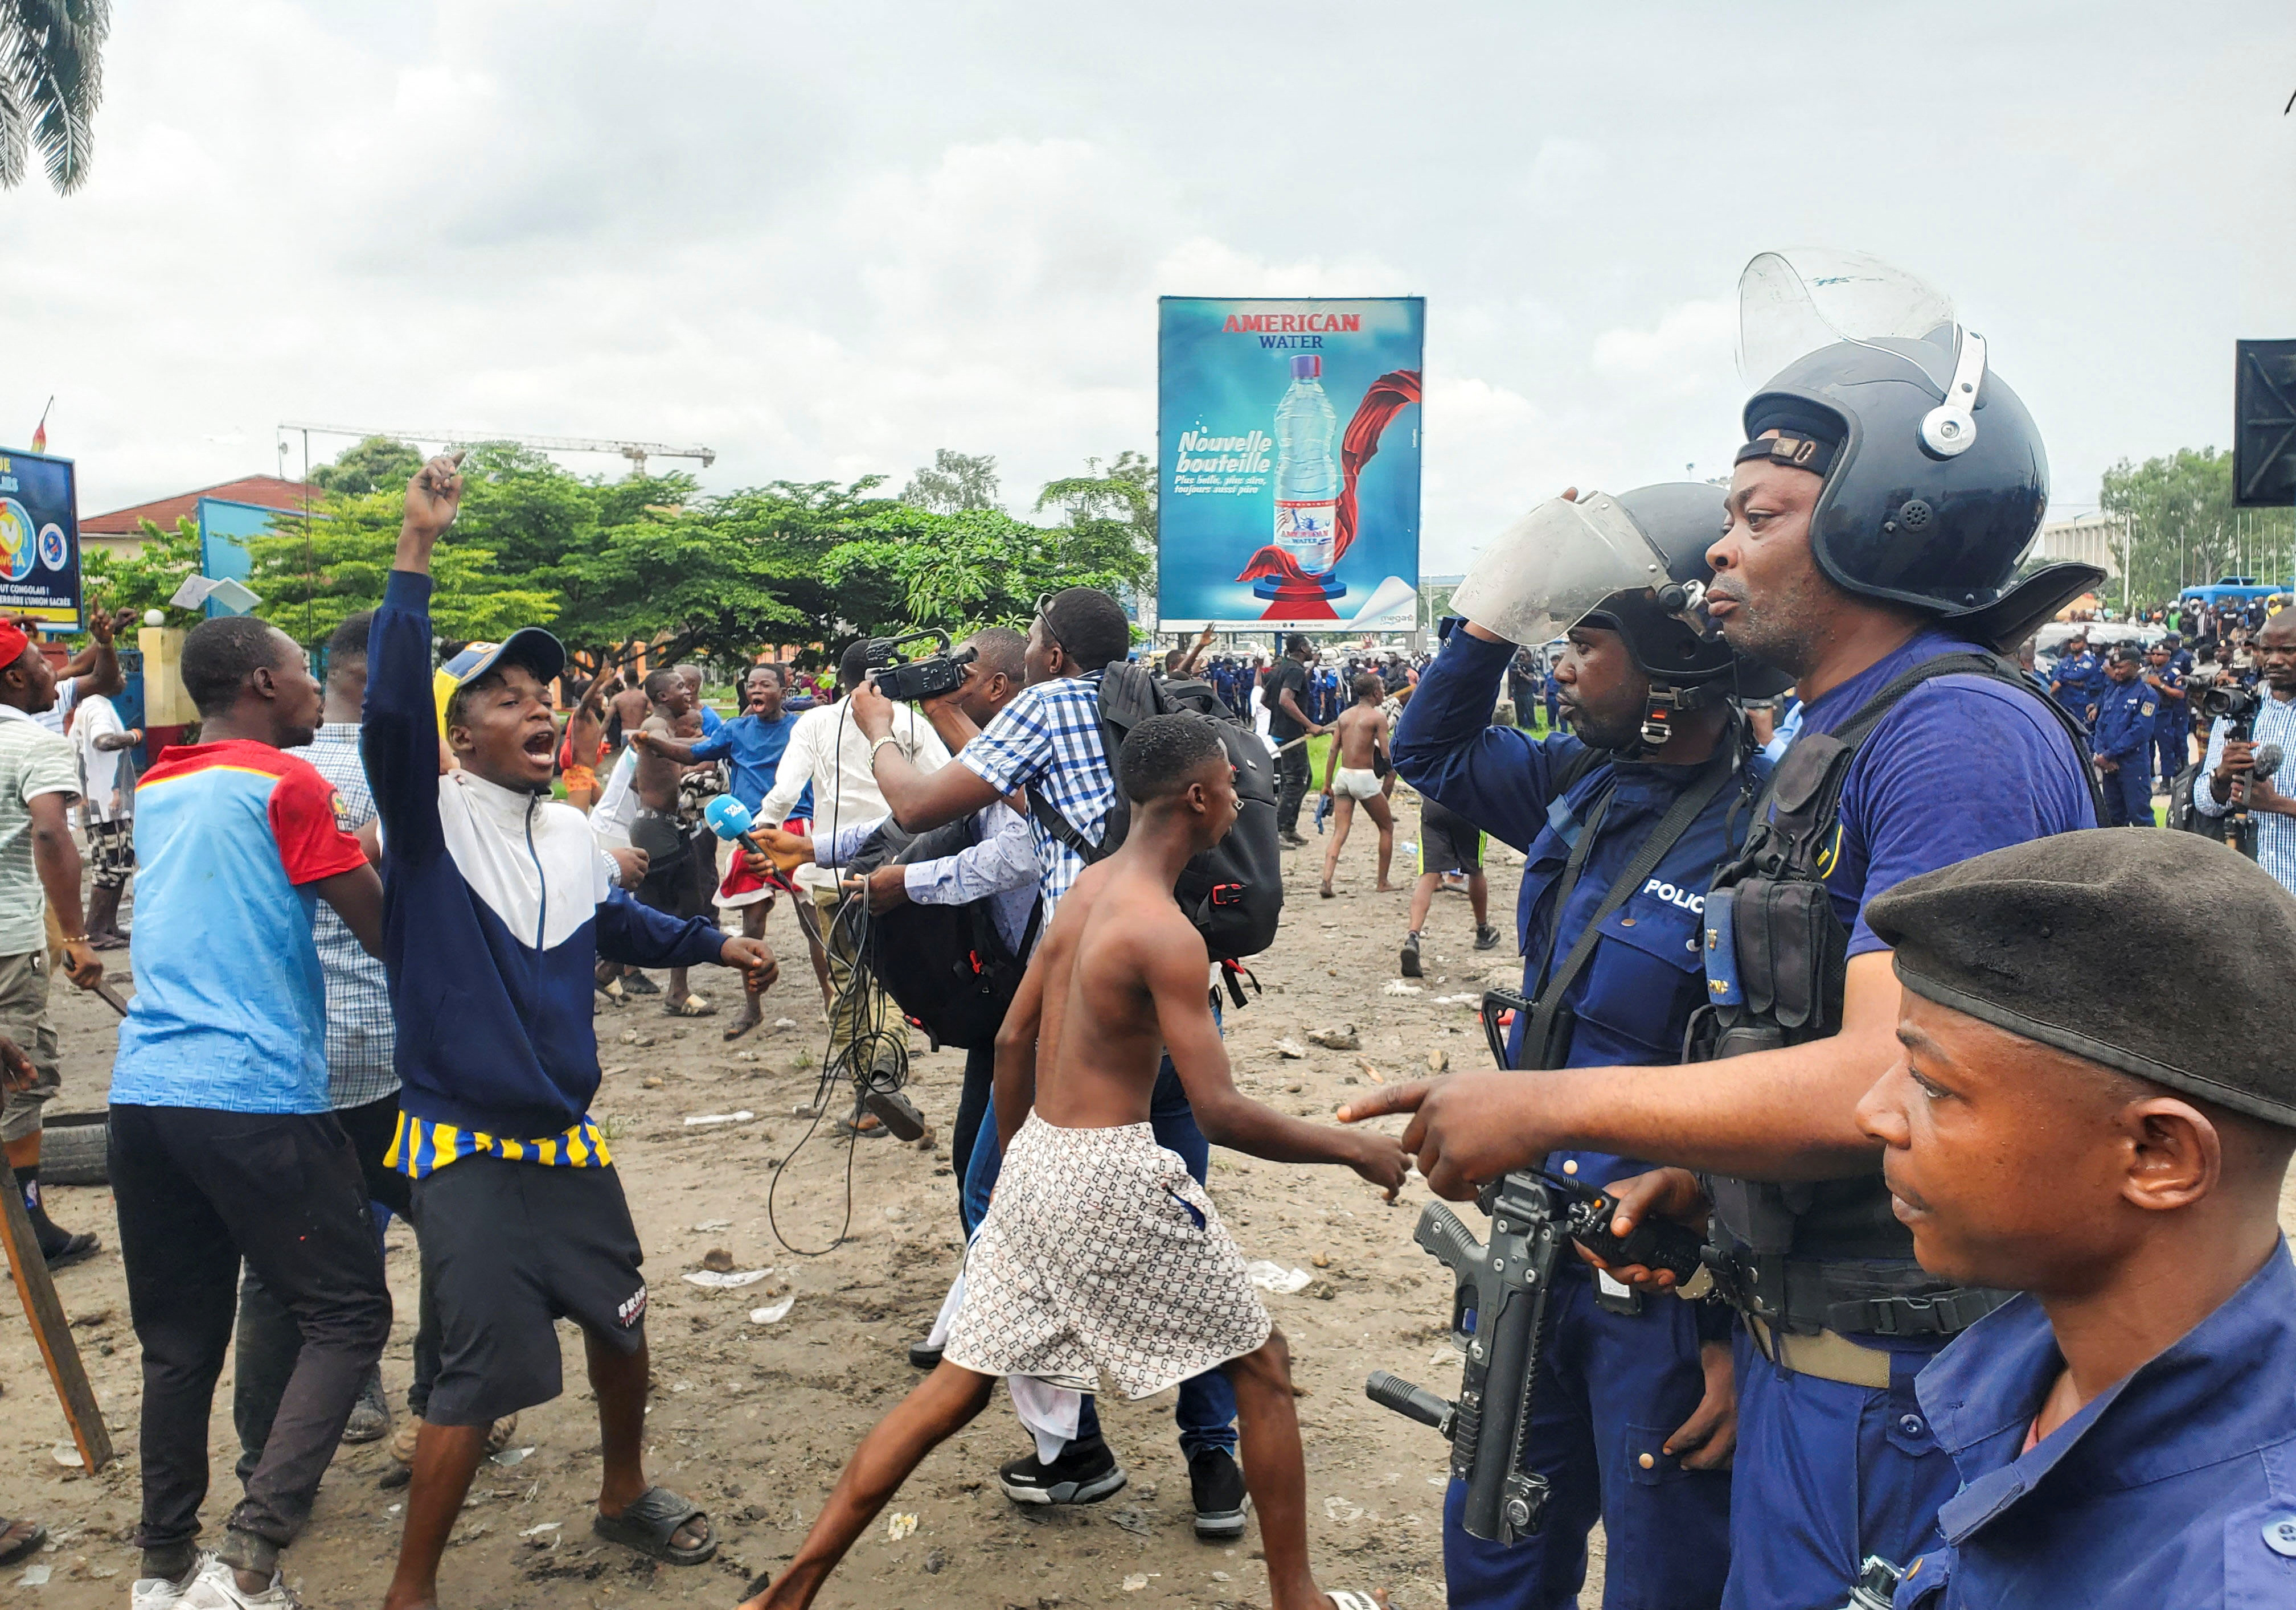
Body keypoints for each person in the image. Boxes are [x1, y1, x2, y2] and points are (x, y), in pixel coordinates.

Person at [1345, 324, 2104, 1608]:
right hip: (1785, 1325)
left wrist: (1543, 1106)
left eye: (1759, 514)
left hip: (1882, 1370)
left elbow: (1897, 1077)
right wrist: (1704, 1183)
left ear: (1880, 528)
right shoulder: (1834, 743)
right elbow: (1792, 1047)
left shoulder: (1954, 735)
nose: (1719, 545)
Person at [732, 714, 1405, 1610]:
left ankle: (788, 1591)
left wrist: (1020, 1169)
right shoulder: (1169, 935)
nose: (1239, 802)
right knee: (1263, 1367)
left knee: (952, 1391)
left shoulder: (1086, 889)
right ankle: (1300, 1599)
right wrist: (1354, 1148)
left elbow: (1014, 1040)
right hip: (1112, 1174)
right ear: (1197, 799)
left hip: (1041, 1157)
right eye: (1230, 788)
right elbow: (1219, 1113)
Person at [368, 457, 775, 1610]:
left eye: (542, 693)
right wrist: (415, 549)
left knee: (622, 1317)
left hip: (564, 1134)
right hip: (465, 1144)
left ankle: (621, 1489)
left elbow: (617, 921)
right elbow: (391, 715)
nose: (539, 707)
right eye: (504, 697)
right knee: (475, 1373)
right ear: (458, 735)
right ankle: (411, 1588)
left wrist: (717, 943)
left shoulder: (564, 831)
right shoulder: (431, 822)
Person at [1392, 482, 1781, 1610]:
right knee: (1496, 1542)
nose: (1561, 667)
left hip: (1658, 1280)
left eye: (1588, 643)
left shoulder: (1766, 838)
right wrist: (1494, 609)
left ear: (1675, 669)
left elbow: (1778, 1089)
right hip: (1530, 1250)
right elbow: (1431, 746)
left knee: (1666, 1575)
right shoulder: (1580, 783)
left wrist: (1729, 1328)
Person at [847, 586, 1249, 1535]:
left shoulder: (1049, 704)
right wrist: (944, 705)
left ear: (1056, 654)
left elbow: (917, 802)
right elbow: (1025, 792)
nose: (1026, 653)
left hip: (1088, 1022)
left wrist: (880, 728)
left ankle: (1074, 1450)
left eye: (1033, 640)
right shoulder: (1151, 708)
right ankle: (1213, 1456)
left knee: (1000, 1205)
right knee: (1183, 1222)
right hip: (1181, 992)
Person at [1853, 831, 2296, 1608]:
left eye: (1932, 1082)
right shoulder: (2043, 1370)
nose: (1873, 1112)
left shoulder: (2235, 1583)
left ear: (2157, 1154)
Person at [107, 613, 393, 1610]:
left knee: (179, 1343)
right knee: (349, 1311)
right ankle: (250, 1562)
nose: (315, 684)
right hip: (252, 1089)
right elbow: (380, 927)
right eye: (300, 670)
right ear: (263, 684)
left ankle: (163, 1567)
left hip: (144, 1091)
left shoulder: (161, 783)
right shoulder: (289, 782)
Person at [751, 627, 1037, 1238]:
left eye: (959, 672)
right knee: (974, 1158)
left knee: (991, 1177)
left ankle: (998, 1286)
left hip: (1037, 996)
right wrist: (810, 847)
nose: (945, 681)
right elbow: (924, 814)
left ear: (997, 686)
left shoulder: (1020, 753)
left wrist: (907, 880)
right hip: (986, 974)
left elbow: (989, 844)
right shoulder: (973, 745)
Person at [228, 613, 404, 1479]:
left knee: (282, 1258)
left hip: (287, 1049)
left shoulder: (244, 777)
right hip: (379, 1044)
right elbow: (394, 922)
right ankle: (450, 1405)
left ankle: (263, 1453)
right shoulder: (397, 773)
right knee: (457, 1220)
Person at [753, 640, 949, 1123]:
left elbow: (785, 791)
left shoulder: (814, 723)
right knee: (888, 979)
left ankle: (867, 1094)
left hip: (831, 876)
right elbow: (944, 784)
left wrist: (763, 830)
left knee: (846, 983)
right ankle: (883, 1077)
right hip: (895, 872)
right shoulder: (909, 724)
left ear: (841, 679)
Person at [0, 618, 104, 1272]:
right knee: (20, 1074)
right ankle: (29, 1223)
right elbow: (49, 833)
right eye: (42, 660)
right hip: (9, 943)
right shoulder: (32, 743)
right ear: (15, 677)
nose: (53, 669)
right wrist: (75, 936)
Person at [631, 663, 805, 1038]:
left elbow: (692, 753)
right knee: (719, 915)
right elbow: (691, 755)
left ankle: (833, 1001)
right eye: (752, 684)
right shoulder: (726, 729)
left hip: (793, 828)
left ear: (782, 690)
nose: (756, 690)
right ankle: (746, 1008)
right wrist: (654, 745)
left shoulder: (799, 729)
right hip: (739, 832)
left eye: (765, 684)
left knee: (812, 918)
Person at [2196, 606, 2296, 893]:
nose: (2274, 660)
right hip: (2252, 894)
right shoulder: (2239, 713)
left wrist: (2277, 804)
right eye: (2266, 650)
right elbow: (2205, 802)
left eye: (2288, 651)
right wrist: (2222, 777)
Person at [69, 684, 139, 948]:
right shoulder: (96, 706)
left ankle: (109, 925)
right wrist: (133, 736)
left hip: (107, 801)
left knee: (120, 861)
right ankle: (95, 931)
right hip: (105, 803)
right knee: (109, 865)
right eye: (117, 672)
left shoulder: (92, 705)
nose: (123, 678)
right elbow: (104, 741)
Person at [1399, 796, 1500, 976]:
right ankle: (1482, 930)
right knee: (1476, 870)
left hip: (1434, 804)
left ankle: (1413, 937)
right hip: (1468, 805)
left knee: (1428, 875)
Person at [1317, 673, 1396, 898]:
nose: (1384, 692)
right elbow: (1385, 753)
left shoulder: (1344, 716)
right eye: (1382, 688)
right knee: (1386, 828)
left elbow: (1333, 751)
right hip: (1363, 778)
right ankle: (1382, 882)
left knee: (1340, 832)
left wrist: (1327, 784)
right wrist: (1392, 769)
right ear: (1375, 693)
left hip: (1343, 776)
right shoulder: (1377, 718)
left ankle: (1326, 880)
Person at [1265, 634, 1326, 847]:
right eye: (1309, 646)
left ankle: (1289, 828)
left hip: (1281, 730)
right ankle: (1276, 832)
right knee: (1295, 781)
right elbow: (1285, 700)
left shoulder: (1283, 669)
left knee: (1302, 779)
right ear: (1302, 648)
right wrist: (1309, 725)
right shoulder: (1294, 670)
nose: (1311, 649)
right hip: (1291, 734)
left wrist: (1280, 718)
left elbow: (1266, 700)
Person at [2090, 644, 2156, 827]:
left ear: (2135, 666)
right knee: (2112, 819)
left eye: (2121, 667)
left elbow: (2140, 731)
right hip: (2109, 767)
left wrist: (2109, 754)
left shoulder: (2147, 694)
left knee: (2140, 817)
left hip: (2132, 766)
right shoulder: (2113, 691)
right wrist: (2100, 755)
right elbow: (2101, 725)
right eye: (2115, 668)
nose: (2117, 672)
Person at [2143, 641, 2187, 789]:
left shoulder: (2173, 672)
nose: (2156, 657)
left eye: (2160, 654)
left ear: (2168, 656)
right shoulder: (2146, 671)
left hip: (2165, 713)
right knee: (2146, 747)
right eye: (2154, 654)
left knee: (2166, 748)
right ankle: (2148, 777)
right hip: (2148, 713)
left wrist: (2160, 685)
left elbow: (2180, 694)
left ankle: (2167, 782)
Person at [2049, 628, 2104, 729]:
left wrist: (2062, 679)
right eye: (2072, 643)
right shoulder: (2067, 659)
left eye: (2077, 643)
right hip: (2063, 701)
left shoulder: (2088, 661)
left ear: (2084, 644)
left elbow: (2078, 676)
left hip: (2079, 702)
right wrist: (2065, 679)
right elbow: (2055, 675)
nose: (2073, 645)